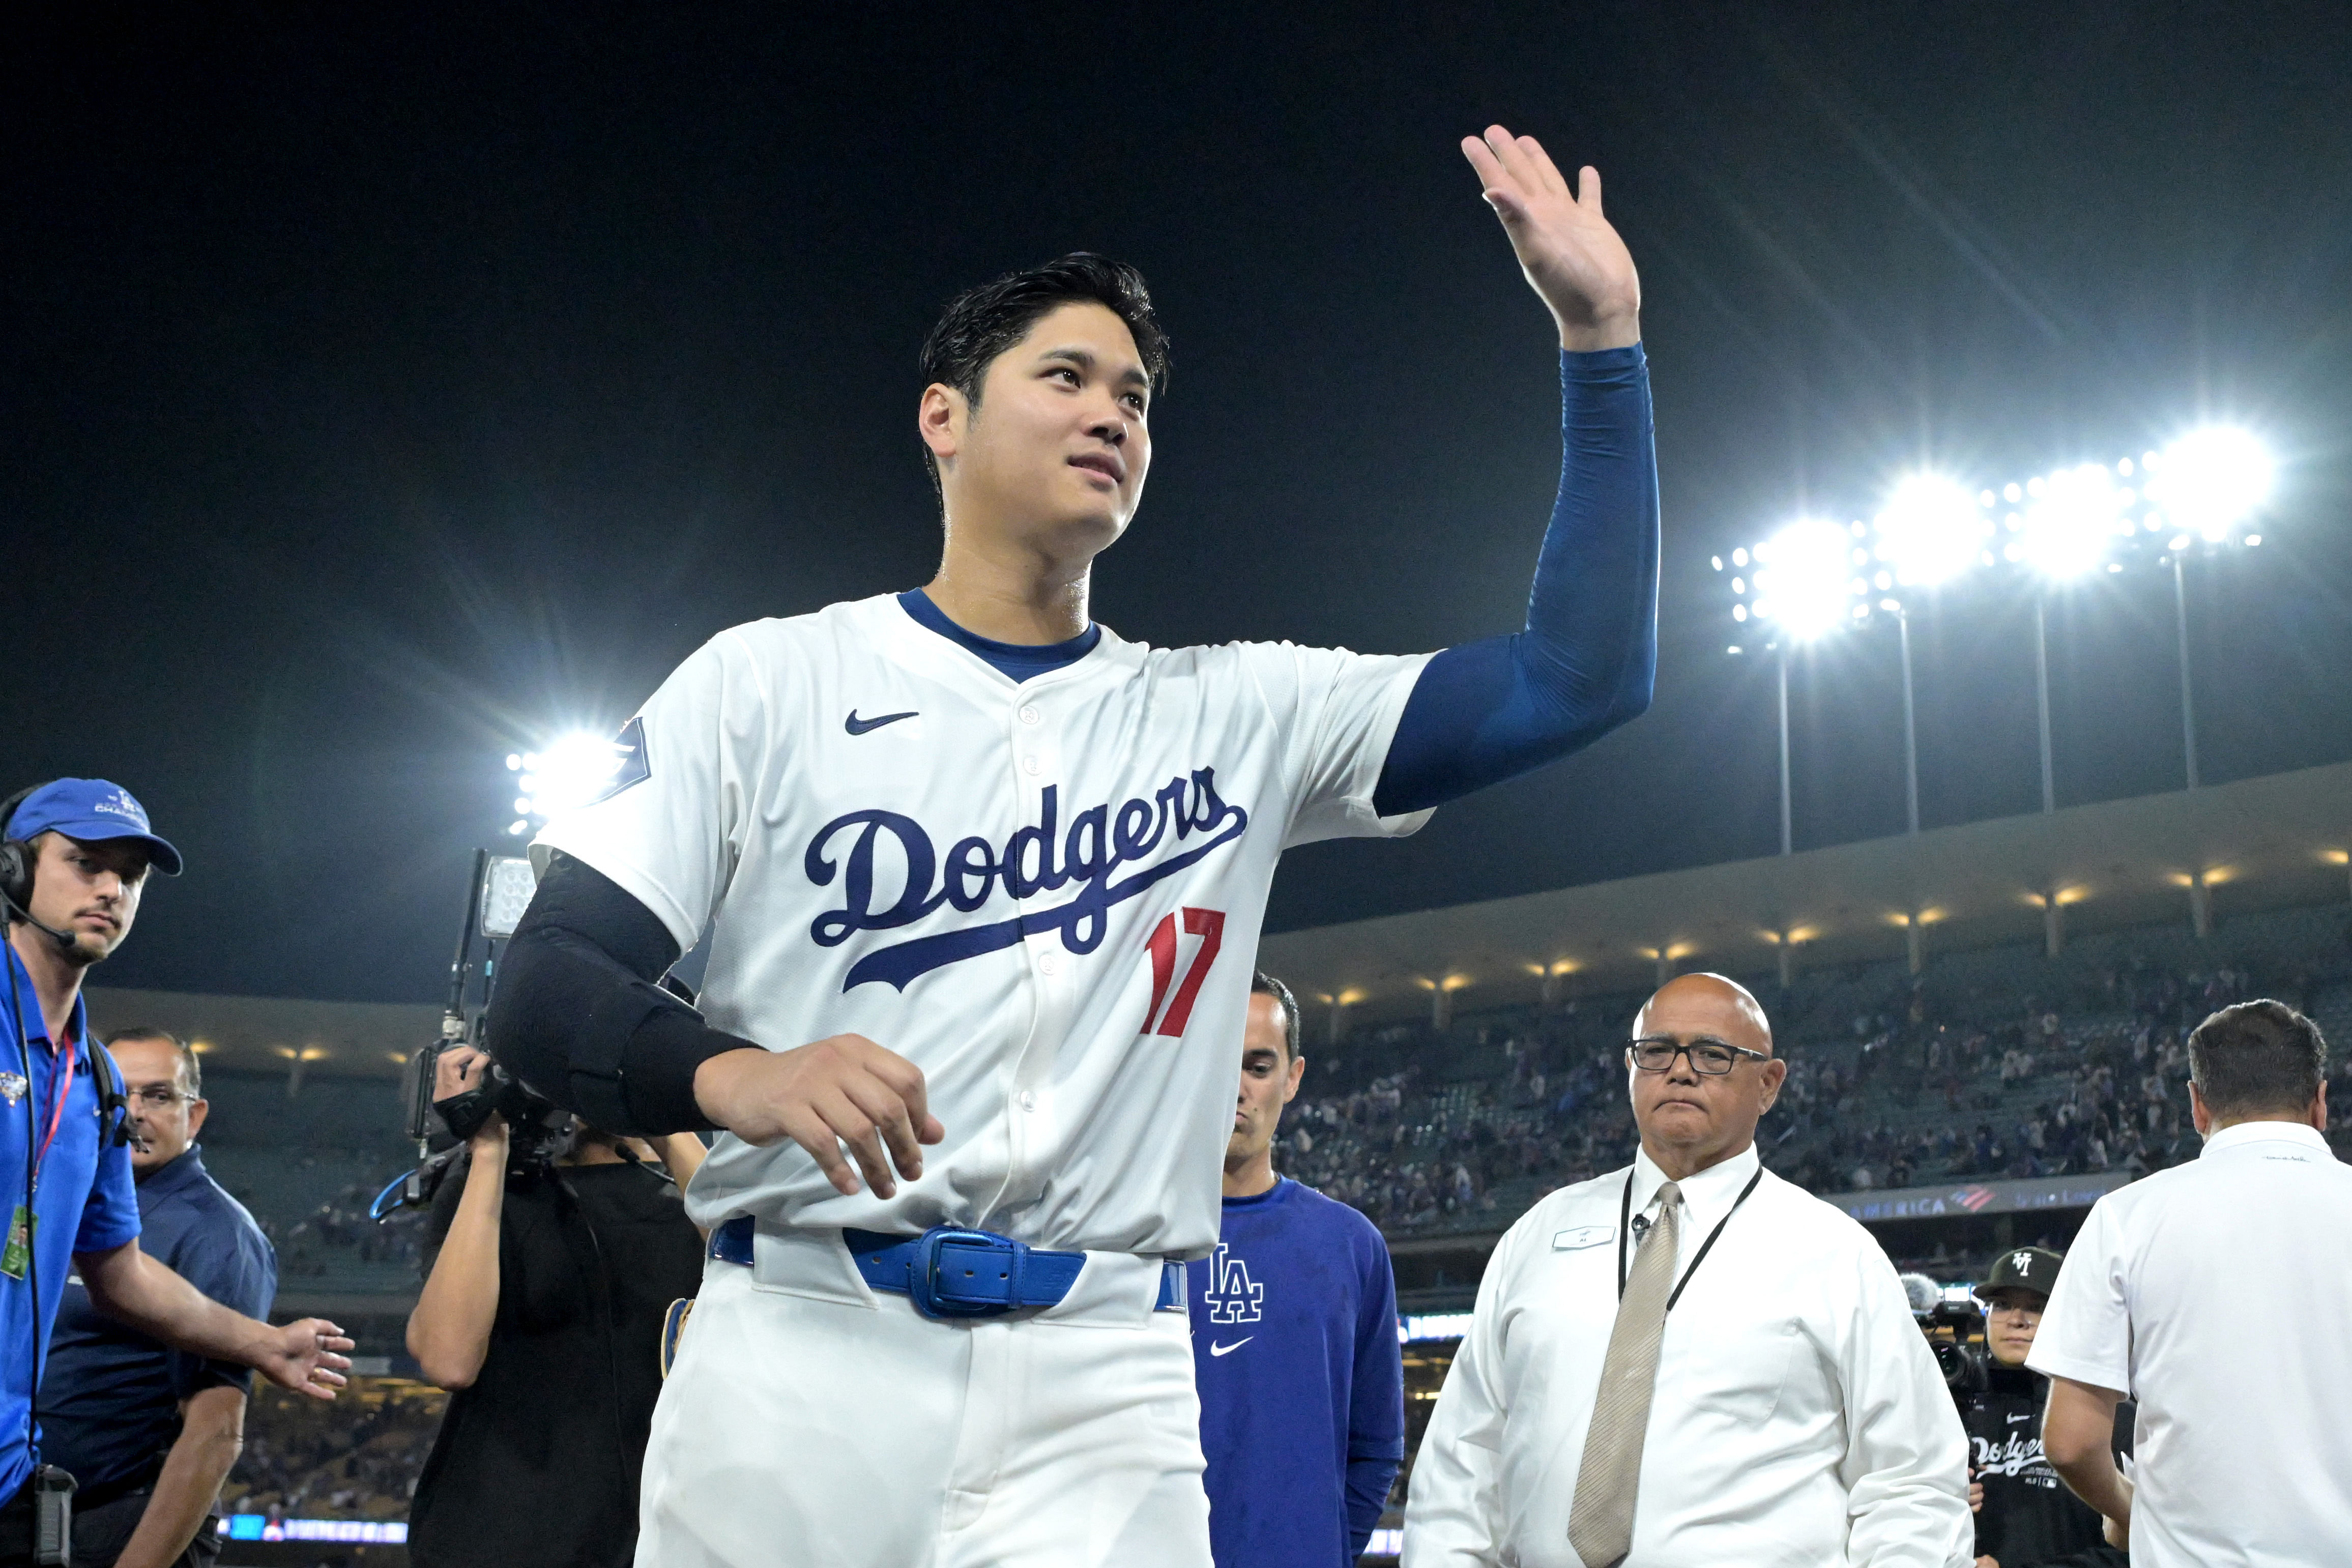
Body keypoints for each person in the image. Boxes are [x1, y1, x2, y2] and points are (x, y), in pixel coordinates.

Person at [484, 124, 1657, 1568]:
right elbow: (540, 983)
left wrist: (1599, 342)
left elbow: (1577, 678)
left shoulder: (1238, 708)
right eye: (1065, 376)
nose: (1112, 413)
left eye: (1137, 397)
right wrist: (732, 1071)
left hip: (1106, 1377)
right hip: (804, 1345)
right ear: (942, 417)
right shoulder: (764, 679)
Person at [1404, 973, 1969, 1567]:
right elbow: (1461, 1461)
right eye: (1656, 1051)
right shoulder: (1538, 1236)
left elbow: (1913, 1482)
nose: (1680, 1070)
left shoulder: (1834, 1253)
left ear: (1769, 1084)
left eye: (1712, 1054)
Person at [0, 779, 350, 1566]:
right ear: (14, 870)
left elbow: (120, 1271)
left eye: (129, 874)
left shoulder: (91, 1079)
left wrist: (266, 1341)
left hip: (15, 1489)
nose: (110, 888)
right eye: (84, 862)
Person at [2029, 999, 2352, 1566]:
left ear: (2198, 1105)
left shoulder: (2127, 1216)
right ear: (2322, 1102)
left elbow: (2071, 1441)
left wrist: (2130, 1509)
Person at [402, 1045, 708, 1568]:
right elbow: (448, 1358)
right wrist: (489, 1151)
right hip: (498, 1535)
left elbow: (750, 1262)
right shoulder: (496, 1188)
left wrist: (659, 1106)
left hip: (661, 1535)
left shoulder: (692, 1194)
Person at [35, 1028, 276, 1568]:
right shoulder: (62, 1198)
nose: (136, 1111)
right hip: (36, 1521)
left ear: (194, 1116)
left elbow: (215, 1432)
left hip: (116, 1528)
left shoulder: (218, 1234)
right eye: (120, 1093)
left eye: (160, 1095)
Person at [1186, 973, 1402, 1568]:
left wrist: (1320, 1549)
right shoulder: (1129, 1238)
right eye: (1217, 1060)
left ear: (1293, 1078)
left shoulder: (1352, 1246)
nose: (1236, 1089)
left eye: (1258, 1066)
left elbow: (1377, 1447)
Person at [1959, 1246, 2124, 1568]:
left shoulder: (2111, 1414)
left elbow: (2137, 1549)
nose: (2017, 1321)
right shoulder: (1951, 1408)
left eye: (2037, 1307)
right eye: (2003, 1305)